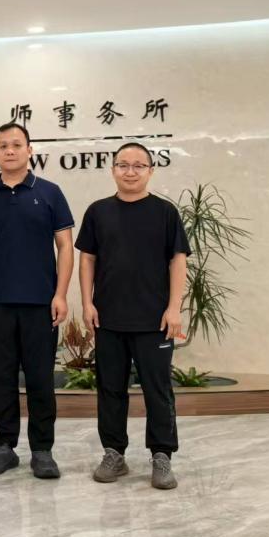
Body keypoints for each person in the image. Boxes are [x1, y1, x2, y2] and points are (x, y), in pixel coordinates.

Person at [76, 141, 190, 490]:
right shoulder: (98, 211)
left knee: (158, 390)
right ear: (113, 169)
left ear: (150, 171)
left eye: (138, 165)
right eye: (123, 165)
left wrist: (174, 308)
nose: (130, 171)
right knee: (110, 389)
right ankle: (114, 453)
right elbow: (87, 259)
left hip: (155, 321)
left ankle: (162, 455)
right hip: (109, 318)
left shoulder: (165, 212)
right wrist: (87, 303)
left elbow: (178, 260)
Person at [0, 123, 75, 479]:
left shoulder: (50, 192)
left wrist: (60, 294)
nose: (10, 150)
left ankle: (42, 450)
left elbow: (65, 247)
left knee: (41, 378)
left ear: (30, 150)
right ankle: (4, 446)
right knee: (0, 377)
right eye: (3, 146)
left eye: (16, 144)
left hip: (40, 303)